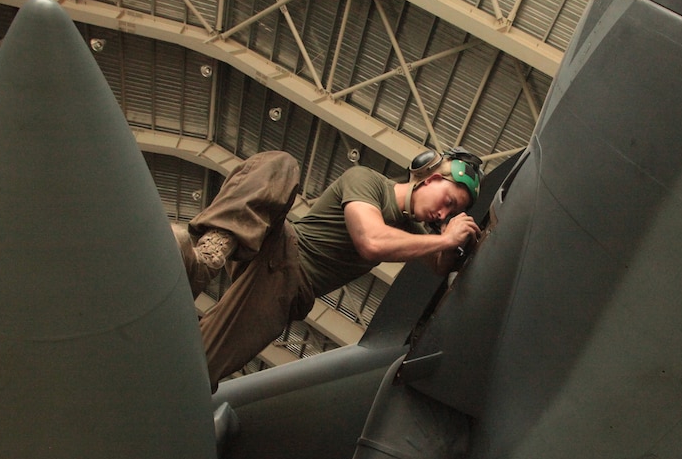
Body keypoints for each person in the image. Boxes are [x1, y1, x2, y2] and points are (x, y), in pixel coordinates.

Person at [172, 148, 483, 389]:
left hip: (285, 291)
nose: (442, 214)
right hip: (282, 247)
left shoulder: (413, 232)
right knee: (280, 166)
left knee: (196, 369)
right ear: (430, 178)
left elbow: (442, 267)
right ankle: (210, 253)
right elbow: (371, 241)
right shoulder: (367, 180)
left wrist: (460, 239)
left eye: (451, 212)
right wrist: (445, 240)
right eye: (447, 201)